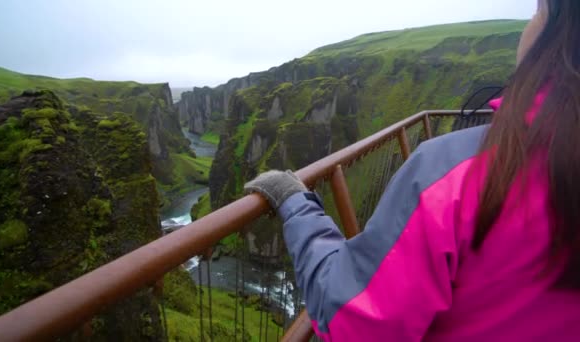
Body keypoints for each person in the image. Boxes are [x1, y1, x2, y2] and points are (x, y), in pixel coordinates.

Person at [244, 1, 580, 340]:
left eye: (537, 9)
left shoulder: (455, 175)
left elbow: (352, 320)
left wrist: (296, 203)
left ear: (559, 32)